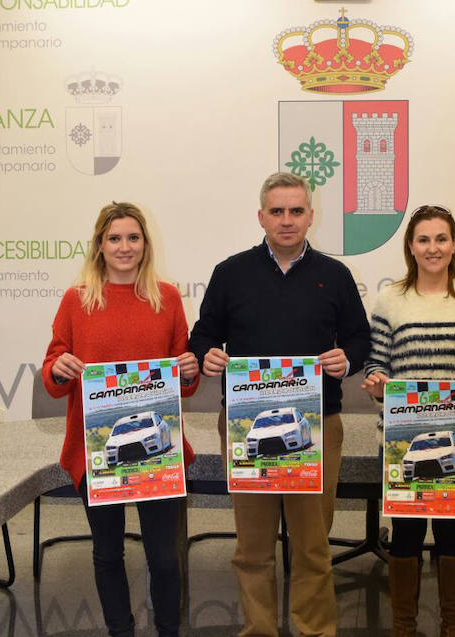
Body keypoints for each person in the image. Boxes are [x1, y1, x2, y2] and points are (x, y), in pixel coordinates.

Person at [188, 171, 371, 637]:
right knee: (252, 546)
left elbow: (359, 338)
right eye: (277, 212)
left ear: (311, 216)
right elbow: (203, 334)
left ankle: (314, 630)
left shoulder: (335, 275)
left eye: (295, 211)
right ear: (261, 217)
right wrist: (205, 352)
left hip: (317, 425)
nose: (286, 221)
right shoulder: (231, 273)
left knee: (311, 545)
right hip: (248, 426)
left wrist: (346, 357)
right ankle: (260, 630)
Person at [41, 202, 199, 637]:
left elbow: (184, 379)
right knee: (107, 553)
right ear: (100, 245)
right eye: (115, 238)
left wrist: (189, 370)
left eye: (133, 238)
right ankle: (120, 631)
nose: (124, 247)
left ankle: (169, 630)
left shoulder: (166, 297)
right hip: (97, 450)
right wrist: (60, 366)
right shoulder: (76, 300)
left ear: (145, 244)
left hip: (157, 451)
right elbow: (53, 369)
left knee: (164, 557)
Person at [362, 205, 455, 637]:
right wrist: (377, 381)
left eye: (441, 239)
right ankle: (403, 626)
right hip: (404, 442)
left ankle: (452, 626)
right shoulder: (389, 300)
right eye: (423, 239)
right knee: (404, 536)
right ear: (410, 246)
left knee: (452, 537)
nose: (433, 248)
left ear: (454, 244)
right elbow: (376, 364)